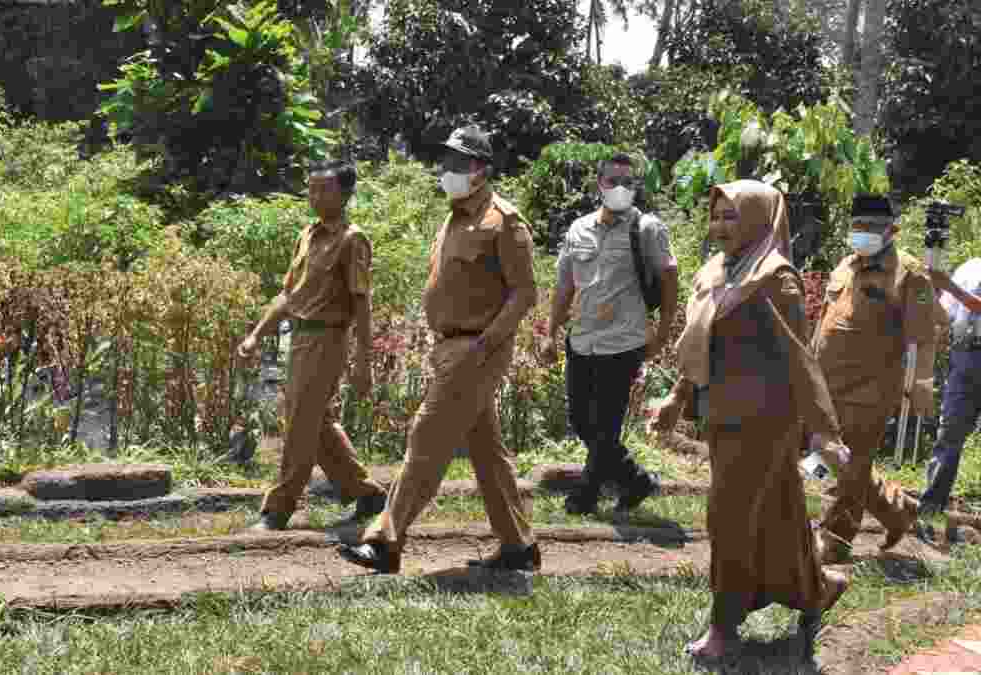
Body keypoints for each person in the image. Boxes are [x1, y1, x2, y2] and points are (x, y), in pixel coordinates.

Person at [649, 180, 850, 662]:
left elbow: (801, 360)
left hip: (763, 423)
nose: (719, 226)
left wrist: (823, 430)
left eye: (731, 216)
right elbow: (698, 346)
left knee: (729, 520)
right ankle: (818, 587)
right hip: (723, 415)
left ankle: (723, 627)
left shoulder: (775, 281)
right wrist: (676, 400)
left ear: (759, 219)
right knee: (779, 513)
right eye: (715, 215)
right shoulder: (717, 272)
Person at [337, 125, 539, 573]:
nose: (446, 170)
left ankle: (385, 540)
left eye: (457, 163)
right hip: (450, 347)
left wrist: (485, 344)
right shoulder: (453, 216)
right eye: (445, 161)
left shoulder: (503, 221)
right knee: (486, 451)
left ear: (481, 170)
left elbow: (525, 294)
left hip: (477, 349)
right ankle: (518, 545)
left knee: (426, 438)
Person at [237, 160, 387, 531]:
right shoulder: (307, 235)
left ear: (346, 194)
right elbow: (289, 295)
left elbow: (361, 303)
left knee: (300, 423)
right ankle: (367, 494)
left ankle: (278, 508)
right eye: (311, 188)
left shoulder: (353, 240)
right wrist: (257, 333)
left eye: (325, 189)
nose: (315, 196)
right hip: (300, 338)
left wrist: (363, 361)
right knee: (315, 423)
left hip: (328, 339)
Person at [538, 152, 679, 514]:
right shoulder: (578, 230)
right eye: (611, 181)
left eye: (627, 182)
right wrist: (551, 333)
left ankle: (585, 495)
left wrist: (662, 334)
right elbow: (564, 287)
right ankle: (636, 480)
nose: (619, 188)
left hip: (624, 341)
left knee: (606, 428)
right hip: (582, 339)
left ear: (636, 187)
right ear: (598, 184)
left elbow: (668, 279)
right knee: (582, 422)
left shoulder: (648, 228)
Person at [809, 195, 940, 562]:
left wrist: (922, 386)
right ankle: (897, 509)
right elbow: (825, 323)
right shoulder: (844, 265)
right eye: (857, 226)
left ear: (891, 230)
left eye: (870, 227)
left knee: (849, 464)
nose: (861, 233)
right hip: (825, 385)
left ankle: (835, 539)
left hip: (869, 389)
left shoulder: (909, 273)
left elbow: (925, 337)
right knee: (826, 458)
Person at [919, 257, 981, 514]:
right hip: (965, 357)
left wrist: (950, 286)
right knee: (949, 432)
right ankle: (931, 505)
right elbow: (946, 314)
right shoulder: (970, 267)